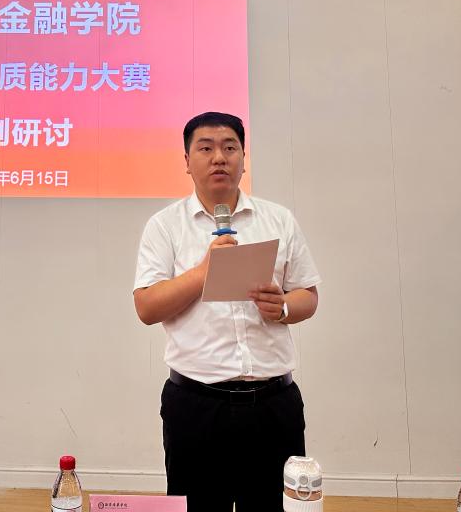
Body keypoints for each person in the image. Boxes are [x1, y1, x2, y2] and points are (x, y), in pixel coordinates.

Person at [133, 111, 321, 512]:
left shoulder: (278, 219)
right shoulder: (165, 226)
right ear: (187, 161)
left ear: (243, 158)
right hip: (196, 405)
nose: (219, 157)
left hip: (274, 404)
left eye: (229, 147)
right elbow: (146, 307)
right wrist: (203, 272)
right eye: (205, 148)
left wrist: (284, 307)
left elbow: (308, 295)